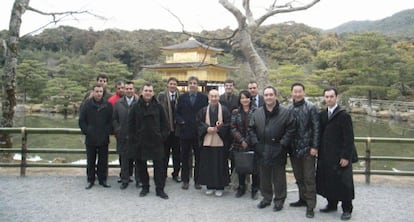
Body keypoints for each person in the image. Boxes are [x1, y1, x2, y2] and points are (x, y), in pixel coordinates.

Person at [249, 86, 295, 212]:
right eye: (266, 95)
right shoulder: (257, 112)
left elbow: (290, 130)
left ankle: (279, 200)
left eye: (271, 95)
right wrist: (256, 144)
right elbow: (251, 129)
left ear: (275, 96)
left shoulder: (285, 112)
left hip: (278, 148)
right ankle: (266, 198)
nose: (268, 97)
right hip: (262, 148)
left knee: (279, 177)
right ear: (263, 97)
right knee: (264, 176)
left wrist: (283, 144)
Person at [317, 87, 356, 220]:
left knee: (344, 182)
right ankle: (331, 203)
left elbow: (349, 137)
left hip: (340, 155)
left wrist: (346, 156)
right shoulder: (322, 114)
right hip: (327, 154)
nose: (329, 99)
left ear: (336, 97)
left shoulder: (344, 115)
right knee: (329, 180)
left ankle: (347, 208)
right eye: (326, 97)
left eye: (331, 96)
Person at [128, 83, 169, 199]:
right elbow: (130, 125)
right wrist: (134, 139)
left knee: (159, 167)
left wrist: (162, 137)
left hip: (156, 141)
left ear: (153, 93)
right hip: (140, 141)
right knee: (141, 166)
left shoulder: (159, 106)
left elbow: (165, 124)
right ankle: (145, 187)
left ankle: (160, 189)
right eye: (146, 90)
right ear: (142, 92)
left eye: (150, 91)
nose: (148, 93)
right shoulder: (135, 107)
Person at [287, 83, 320, 218]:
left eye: (300, 91)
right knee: (299, 177)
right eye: (295, 91)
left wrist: (315, 146)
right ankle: (302, 199)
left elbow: (316, 128)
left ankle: (311, 205)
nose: (297, 94)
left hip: (307, 149)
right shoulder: (288, 108)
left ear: (304, 93)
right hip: (294, 149)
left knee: (309, 178)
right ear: (291, 93)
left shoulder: (311, 107)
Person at [176, 76, 208, 190]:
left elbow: (206, 113)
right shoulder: (182, 97)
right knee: (184, 157)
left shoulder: (203, 98)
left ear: (197, 85)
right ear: (188, 85)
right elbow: (177, 113)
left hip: (198, 132)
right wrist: (181, 122)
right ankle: (185, 180)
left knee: (199, 157)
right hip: (185, 131)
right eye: (191, 83)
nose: (193, 85)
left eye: (195, 83)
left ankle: (197, 180)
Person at [79, 83, 113, 189]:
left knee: (103, 160)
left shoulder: (108, 105)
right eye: (97, 91)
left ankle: (103, 179)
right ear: (93, 92)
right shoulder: (86, 105)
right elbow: (82, 121)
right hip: (91, 137)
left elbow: (110, 121)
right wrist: (87, 131)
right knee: (91, 160)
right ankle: (91, 179)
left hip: (103, 137)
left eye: (100, 92)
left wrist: (106, 131)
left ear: (103, 93)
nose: (99, 94)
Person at [197, 89, 231, 197]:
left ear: (219, 97)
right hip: (207, 140)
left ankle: (220, 186)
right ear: (208, 98)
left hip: (220, 141)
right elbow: (198, 123)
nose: (214, 98)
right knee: (208, 164)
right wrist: (207, 129)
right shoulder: (203, 110)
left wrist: (218, 129)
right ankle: (209, 186)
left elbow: (229, 124)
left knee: (220, 164)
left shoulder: (225, 110)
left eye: (216, 96)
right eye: (212, 96)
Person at [230, 90, 259, 199]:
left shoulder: (256, 111)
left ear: (250, 99)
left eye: (246, 98)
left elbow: (257, 127)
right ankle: (241, 187)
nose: (244, 100)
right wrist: (241, 140)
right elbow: (232, 128)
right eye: (242, 98)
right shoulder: (235, 112)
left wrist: (248, 140)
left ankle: (255, 188)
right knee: (241, 166)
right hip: (239, 143)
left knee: (255, 167)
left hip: (253, 142)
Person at [112, 81, 140, 189]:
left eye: (130, 89)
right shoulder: (119, 103)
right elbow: (114, 118)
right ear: (124, 90)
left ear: (134, 90)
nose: (129, 91)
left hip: (136, 135)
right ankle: (125, 179)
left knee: (138, 159)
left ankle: (139, 180)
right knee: (124, 159)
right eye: (127, 89)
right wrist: (118, 129)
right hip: (123, 135)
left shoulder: (138, 102)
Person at [157, 77, 182, 183]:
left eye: (174, 84)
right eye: (171, 84)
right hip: (165, 130)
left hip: (177, 131)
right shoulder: (161, 96)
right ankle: (163, 174)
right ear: (167, 85)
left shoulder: (180, 97)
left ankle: (176, 174)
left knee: (177, 154)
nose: (172, 86)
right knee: (164, 154)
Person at [219, 79, 239, 179]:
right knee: (223, 156)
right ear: (224, 87)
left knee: (234, 156)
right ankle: (225, 177)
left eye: (230, 85)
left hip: (234, 130)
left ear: (233, 86)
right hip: (223, 130)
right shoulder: (220, 98)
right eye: (226, 85)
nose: (228, 87)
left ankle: (234, 178)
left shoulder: (237, 98)